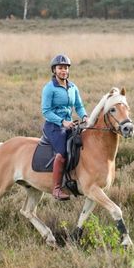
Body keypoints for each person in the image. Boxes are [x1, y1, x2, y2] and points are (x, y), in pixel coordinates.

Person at [41, 53, 87, 200]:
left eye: (66, 68)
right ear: (54, 70)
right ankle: (56, 189)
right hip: (54, 126)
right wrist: (62, 122)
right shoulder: (49, 88)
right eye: (60, 68)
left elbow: (79, 106)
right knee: (61, 153)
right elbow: (46, 111)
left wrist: (85, 116)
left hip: (70, 125)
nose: (64, 71)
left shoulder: (73, 87)